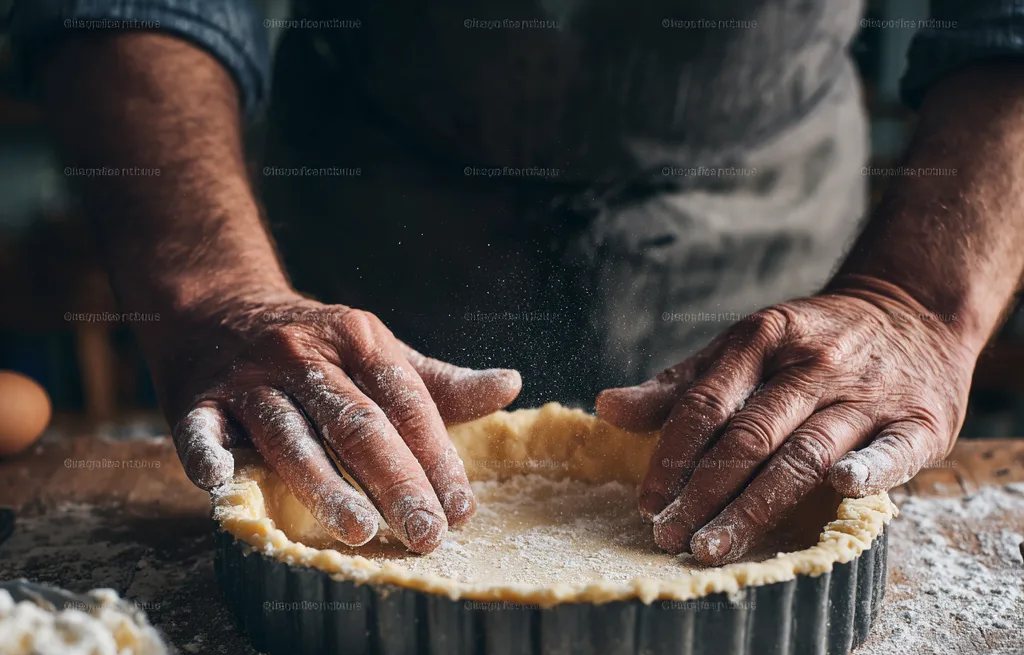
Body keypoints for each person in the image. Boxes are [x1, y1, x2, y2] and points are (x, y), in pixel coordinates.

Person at [12, 3, 1024, 563]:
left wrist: (918, 300)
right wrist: (216, 289)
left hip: (756, 209)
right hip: (380, 200)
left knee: (779, 475)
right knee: (334, 479)